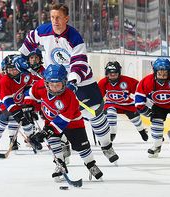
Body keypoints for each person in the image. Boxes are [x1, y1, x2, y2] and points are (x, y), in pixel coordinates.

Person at [19, 3, 118, 163]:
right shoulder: (43, 31)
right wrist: (21, 56)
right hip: (57, 82)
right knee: (58, 114)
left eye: (58, 17)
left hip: (83, 83)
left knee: (96, 116)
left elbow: (79, 63)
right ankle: (63, 147)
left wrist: (72, 82)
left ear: (66, 18)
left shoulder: (74, 38)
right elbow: (30, 39)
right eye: (52, 17)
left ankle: (106, 145)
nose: (55, 20)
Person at [26, 64, 103, 180]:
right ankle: (60, 164)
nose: (55, 88)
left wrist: (45, 132)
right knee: (53, 141)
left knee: (82, 147)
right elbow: (30, 95)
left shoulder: (69, 96)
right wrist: (28, 107)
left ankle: (90, 164)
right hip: (51, 121)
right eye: (51, 85)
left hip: (73, 123)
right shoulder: (40, 86)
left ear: (65, 82)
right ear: (46, 82)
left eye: (58, 85)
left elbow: (64, 119)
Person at [135, 58, 170, 157]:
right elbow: (139, 98)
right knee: (156, 125)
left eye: (165, 72)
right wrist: (144, 110)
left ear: (169, 71)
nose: (163, 75)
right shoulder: (147, 81)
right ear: (155, 71)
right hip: (158, 106)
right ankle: (156, 146)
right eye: (160, 72)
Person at [0, 54, 42, 151]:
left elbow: (28, 89)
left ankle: (30, 139)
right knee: (3, 121)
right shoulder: (4, 79)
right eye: (9, 69)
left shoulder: (26, 75)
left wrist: (29, 103)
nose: (12, 71)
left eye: (15, 69)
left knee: (25, 121)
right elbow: (5, 98)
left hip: (20, 104)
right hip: (7, 105)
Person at [98, 61, 148, 142]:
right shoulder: (103, 82)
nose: (113, 75)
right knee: (110, 113)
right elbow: (98, 97)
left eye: (115, 73)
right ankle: (112, 133)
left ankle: (142, 131)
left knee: (135, 119)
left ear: (119, 73)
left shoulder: (128, 81)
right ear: (107, 74)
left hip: (127, 104)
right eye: (111, 74)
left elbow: (140, 89)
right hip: (111, 103)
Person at [0, 54, 19, 150]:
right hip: (5, 104)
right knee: (3, 120)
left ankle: (13, 139)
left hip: (16, 103)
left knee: (14, 120)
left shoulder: (20, 77)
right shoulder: (1, 77)